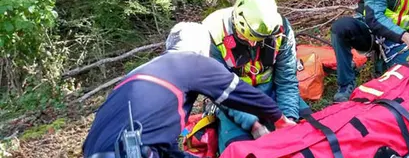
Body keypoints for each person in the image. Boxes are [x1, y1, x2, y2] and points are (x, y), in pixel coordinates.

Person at [220, 6, 409, 158]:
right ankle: (251, 150)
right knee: (323, 123)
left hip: (404, 109)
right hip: (380, 95)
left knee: (347, 139)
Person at [82, 23, 294, 158]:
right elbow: (240, 93)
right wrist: (279, 118)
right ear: (202, 48)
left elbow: (158, 139)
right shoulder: (191, 62)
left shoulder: (137, 74)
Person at [202, 0, 305, 155]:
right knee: (238, 149)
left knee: (307, 131)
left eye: (258, 40)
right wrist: (253, 125)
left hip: (270, 91)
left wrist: (288, 118)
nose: (251, 43)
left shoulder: (281, 29)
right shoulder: (212, 33)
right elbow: (221, 90)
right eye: (245, 38)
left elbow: (286, 80)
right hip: (233, 98)